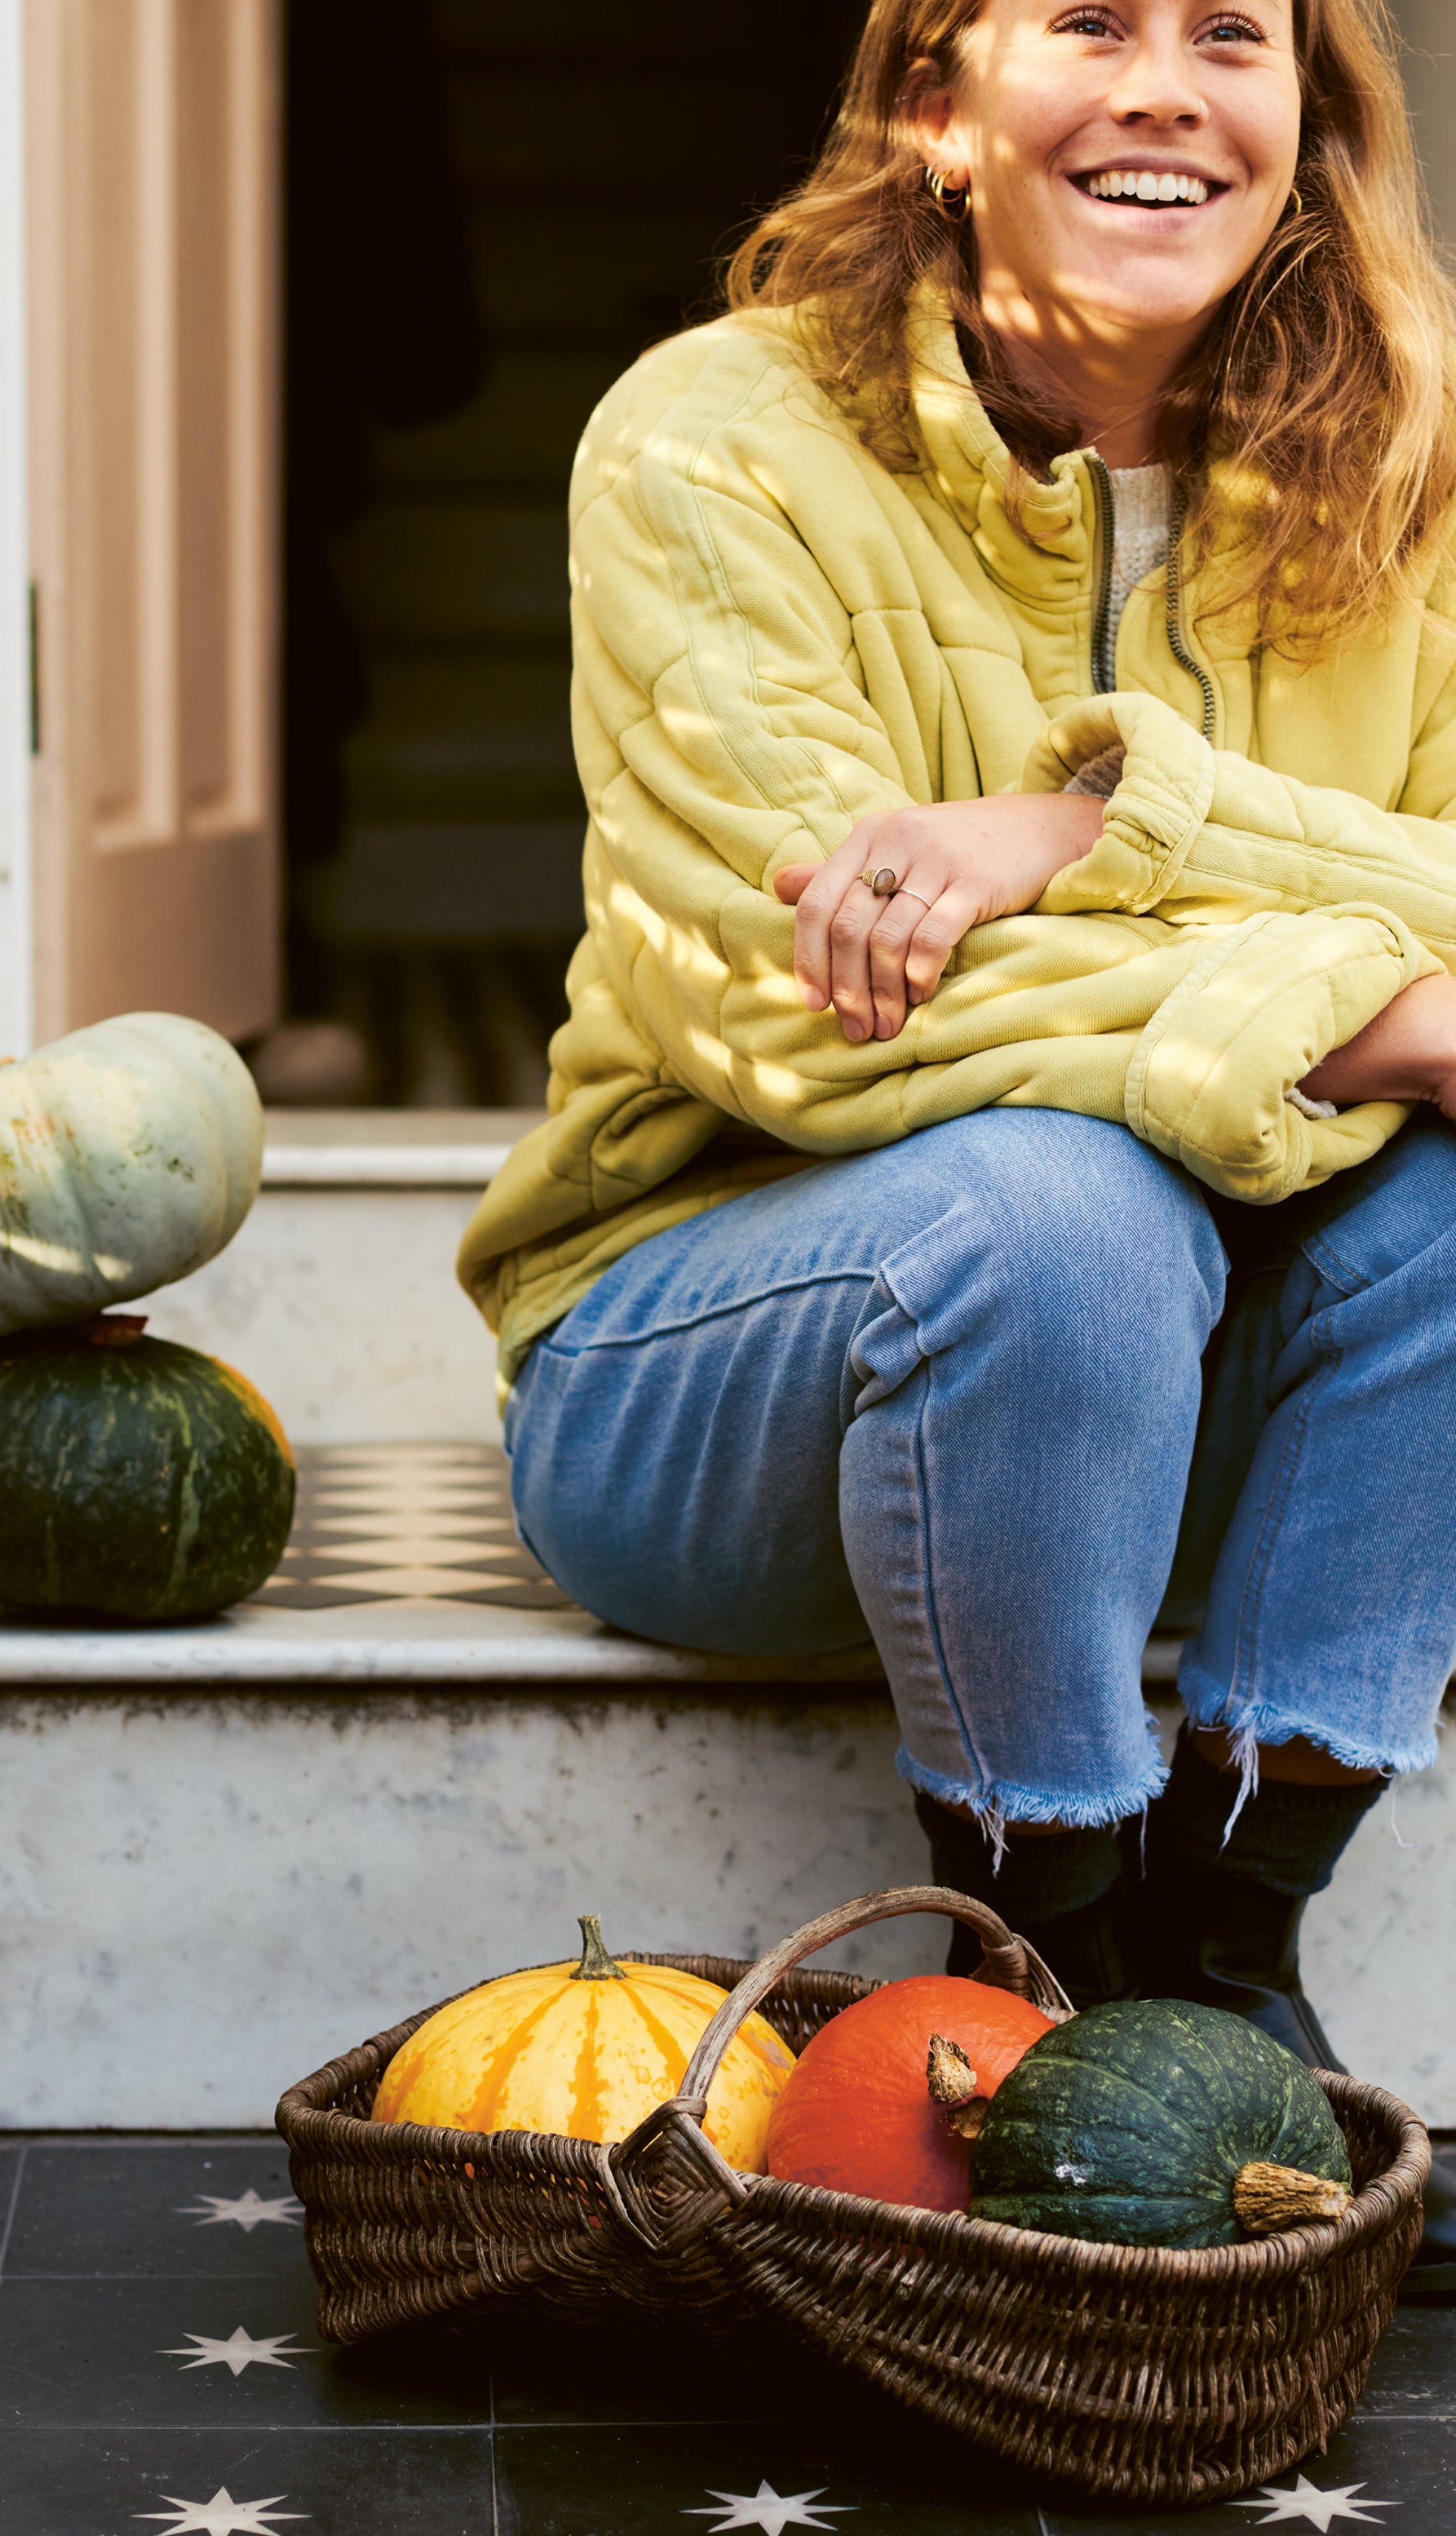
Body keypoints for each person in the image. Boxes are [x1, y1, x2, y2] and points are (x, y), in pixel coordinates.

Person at [458, 0, 1456, 2282]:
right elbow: (821, 1011)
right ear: (933, 105)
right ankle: (1037, 1948)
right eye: (1085, 22)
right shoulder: (715, 449)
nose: (1163, 88)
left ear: (1310, 119)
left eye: (1233, 33)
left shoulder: (1423, 462)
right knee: (1062, 1202)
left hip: (1191, 1395)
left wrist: (1090, 822)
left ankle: (1227, 1956)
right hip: (709, 1368)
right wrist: (1385, 1003)